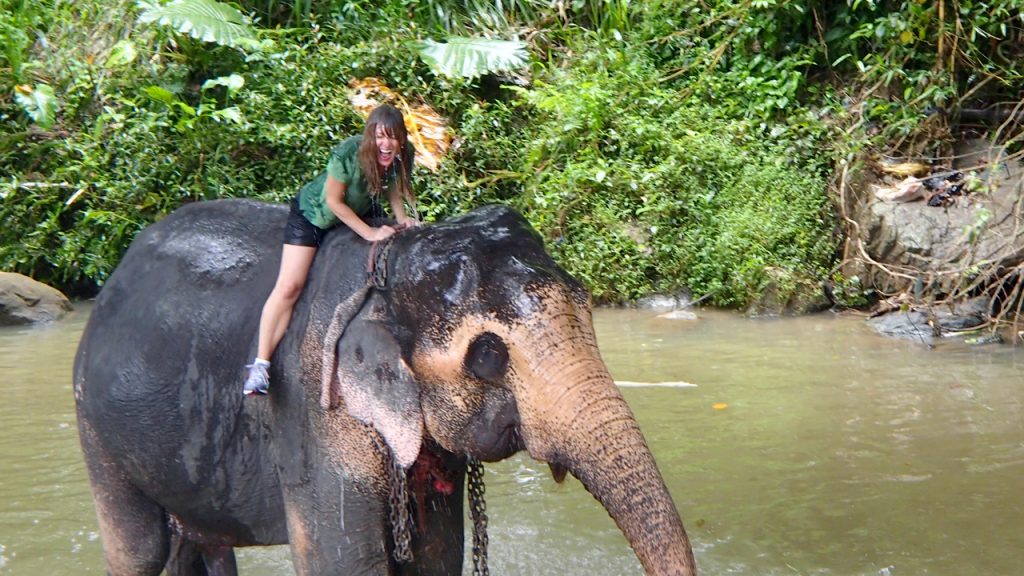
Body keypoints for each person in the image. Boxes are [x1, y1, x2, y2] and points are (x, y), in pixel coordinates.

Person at [243, 104, 417, 396]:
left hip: (354, 217)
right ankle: (260, 364)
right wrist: (370, 233)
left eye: (393, 137)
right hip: (315, 216)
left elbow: (393, 188)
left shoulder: (400, 156)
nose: (386, 144)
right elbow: (334, 202)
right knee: (289, 286)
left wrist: (403, 220)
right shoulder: (348, 153)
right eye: (380, 136)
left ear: (401, 138)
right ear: (369, 137)